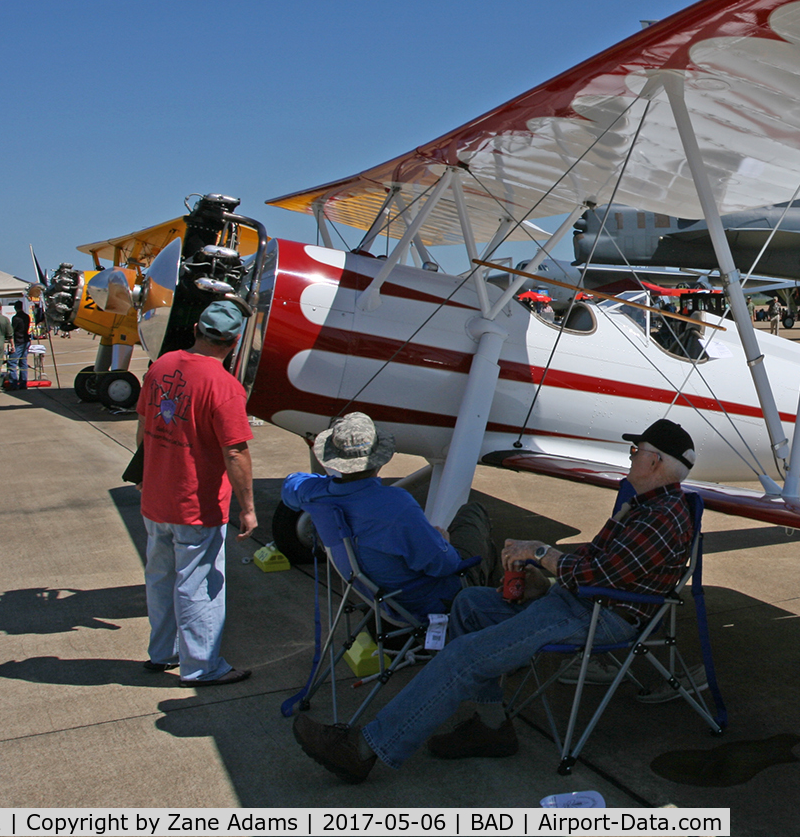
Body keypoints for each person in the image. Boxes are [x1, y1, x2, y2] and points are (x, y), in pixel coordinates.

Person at [293, 418, 699, 784]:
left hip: (602, 614)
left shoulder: (662, 516)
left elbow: (599, 576)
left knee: (465, 656)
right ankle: (491, 727)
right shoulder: (644, 504)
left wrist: (540, 553)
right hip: (581, 600)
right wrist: (544, 580)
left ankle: (365, 749)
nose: (631, 459)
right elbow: (597, 563)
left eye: (637, 452)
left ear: (657, 463)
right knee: (469, 602)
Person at [134, 300, 256, 686]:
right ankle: (202, 665)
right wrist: (248, 507)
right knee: (199, 584)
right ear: (234, 342)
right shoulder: (225, 387)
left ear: (195, 330)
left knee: (159, 577)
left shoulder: (161, 366)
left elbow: (143, 423)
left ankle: (163, 651)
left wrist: (143, 471)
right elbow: (235, 450)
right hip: (194, 504)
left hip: (155, 497)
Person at [280, 413, 494, 618]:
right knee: (473, 514)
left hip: (381, 598)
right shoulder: (396, 504)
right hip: (427, 602)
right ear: (380, 459)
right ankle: (486, 613)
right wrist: (443, 543)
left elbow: (291, 484)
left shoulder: (317, 495)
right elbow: (445, 565)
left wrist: (325, 485)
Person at [6, 301, 32, 389]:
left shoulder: (16, 318)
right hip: (25, 340)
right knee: (23, 362)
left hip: (18, 341)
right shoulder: (26, 317)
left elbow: (12, 330)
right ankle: (23, 382)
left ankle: (13, 383)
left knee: (12, 362)